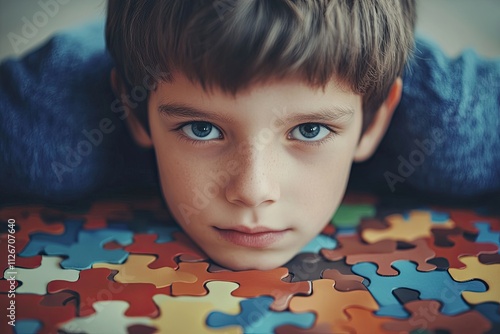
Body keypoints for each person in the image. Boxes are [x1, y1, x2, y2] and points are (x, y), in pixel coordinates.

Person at [105, 0, 417, 270]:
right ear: (133, 110)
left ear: (374, 122)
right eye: (202, 129)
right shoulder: (64, 143)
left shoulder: (451, 132)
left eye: (310, 130)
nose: (253, 191)